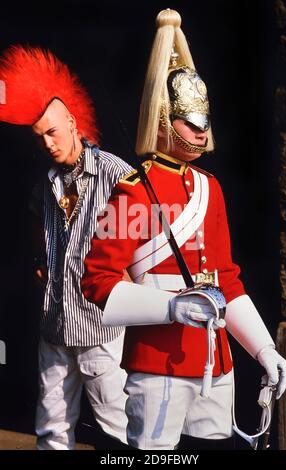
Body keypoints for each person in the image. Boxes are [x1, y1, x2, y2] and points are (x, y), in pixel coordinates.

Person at [81, 9, 286, 450]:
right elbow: (98, 283)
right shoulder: (134, 192)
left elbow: (226, 281)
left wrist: (263, 349)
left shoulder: (210, 188)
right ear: (162, 119)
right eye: (190, 123)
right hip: (158, 364)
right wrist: (172, 308)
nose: (201, 133)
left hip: (216, 365)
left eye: (203, 122)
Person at [0, 45, 132, 450]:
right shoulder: (44, 185)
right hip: (54, 325)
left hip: (99, 325)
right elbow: (39, 236)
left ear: (73, 123)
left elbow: (146, 239)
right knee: (52, 430)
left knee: (119, 428)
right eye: (40, 137)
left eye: (53, 132)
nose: (48, 144)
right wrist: (43, 263)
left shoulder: (115, 174)